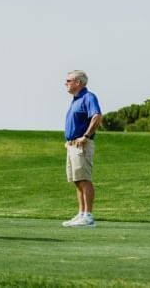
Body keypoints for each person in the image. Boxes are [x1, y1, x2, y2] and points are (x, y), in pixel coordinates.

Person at [62, 70, 102, 228]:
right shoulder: (76, 100)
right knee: (77, 181)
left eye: (69, 81)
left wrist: (86, 136)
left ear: (78, 82)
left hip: (82, 144)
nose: (66, 83)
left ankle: (89, 215)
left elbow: (97, 116)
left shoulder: (88, 97)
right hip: (72, 145)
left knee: (84, 179)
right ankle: (81, 214)